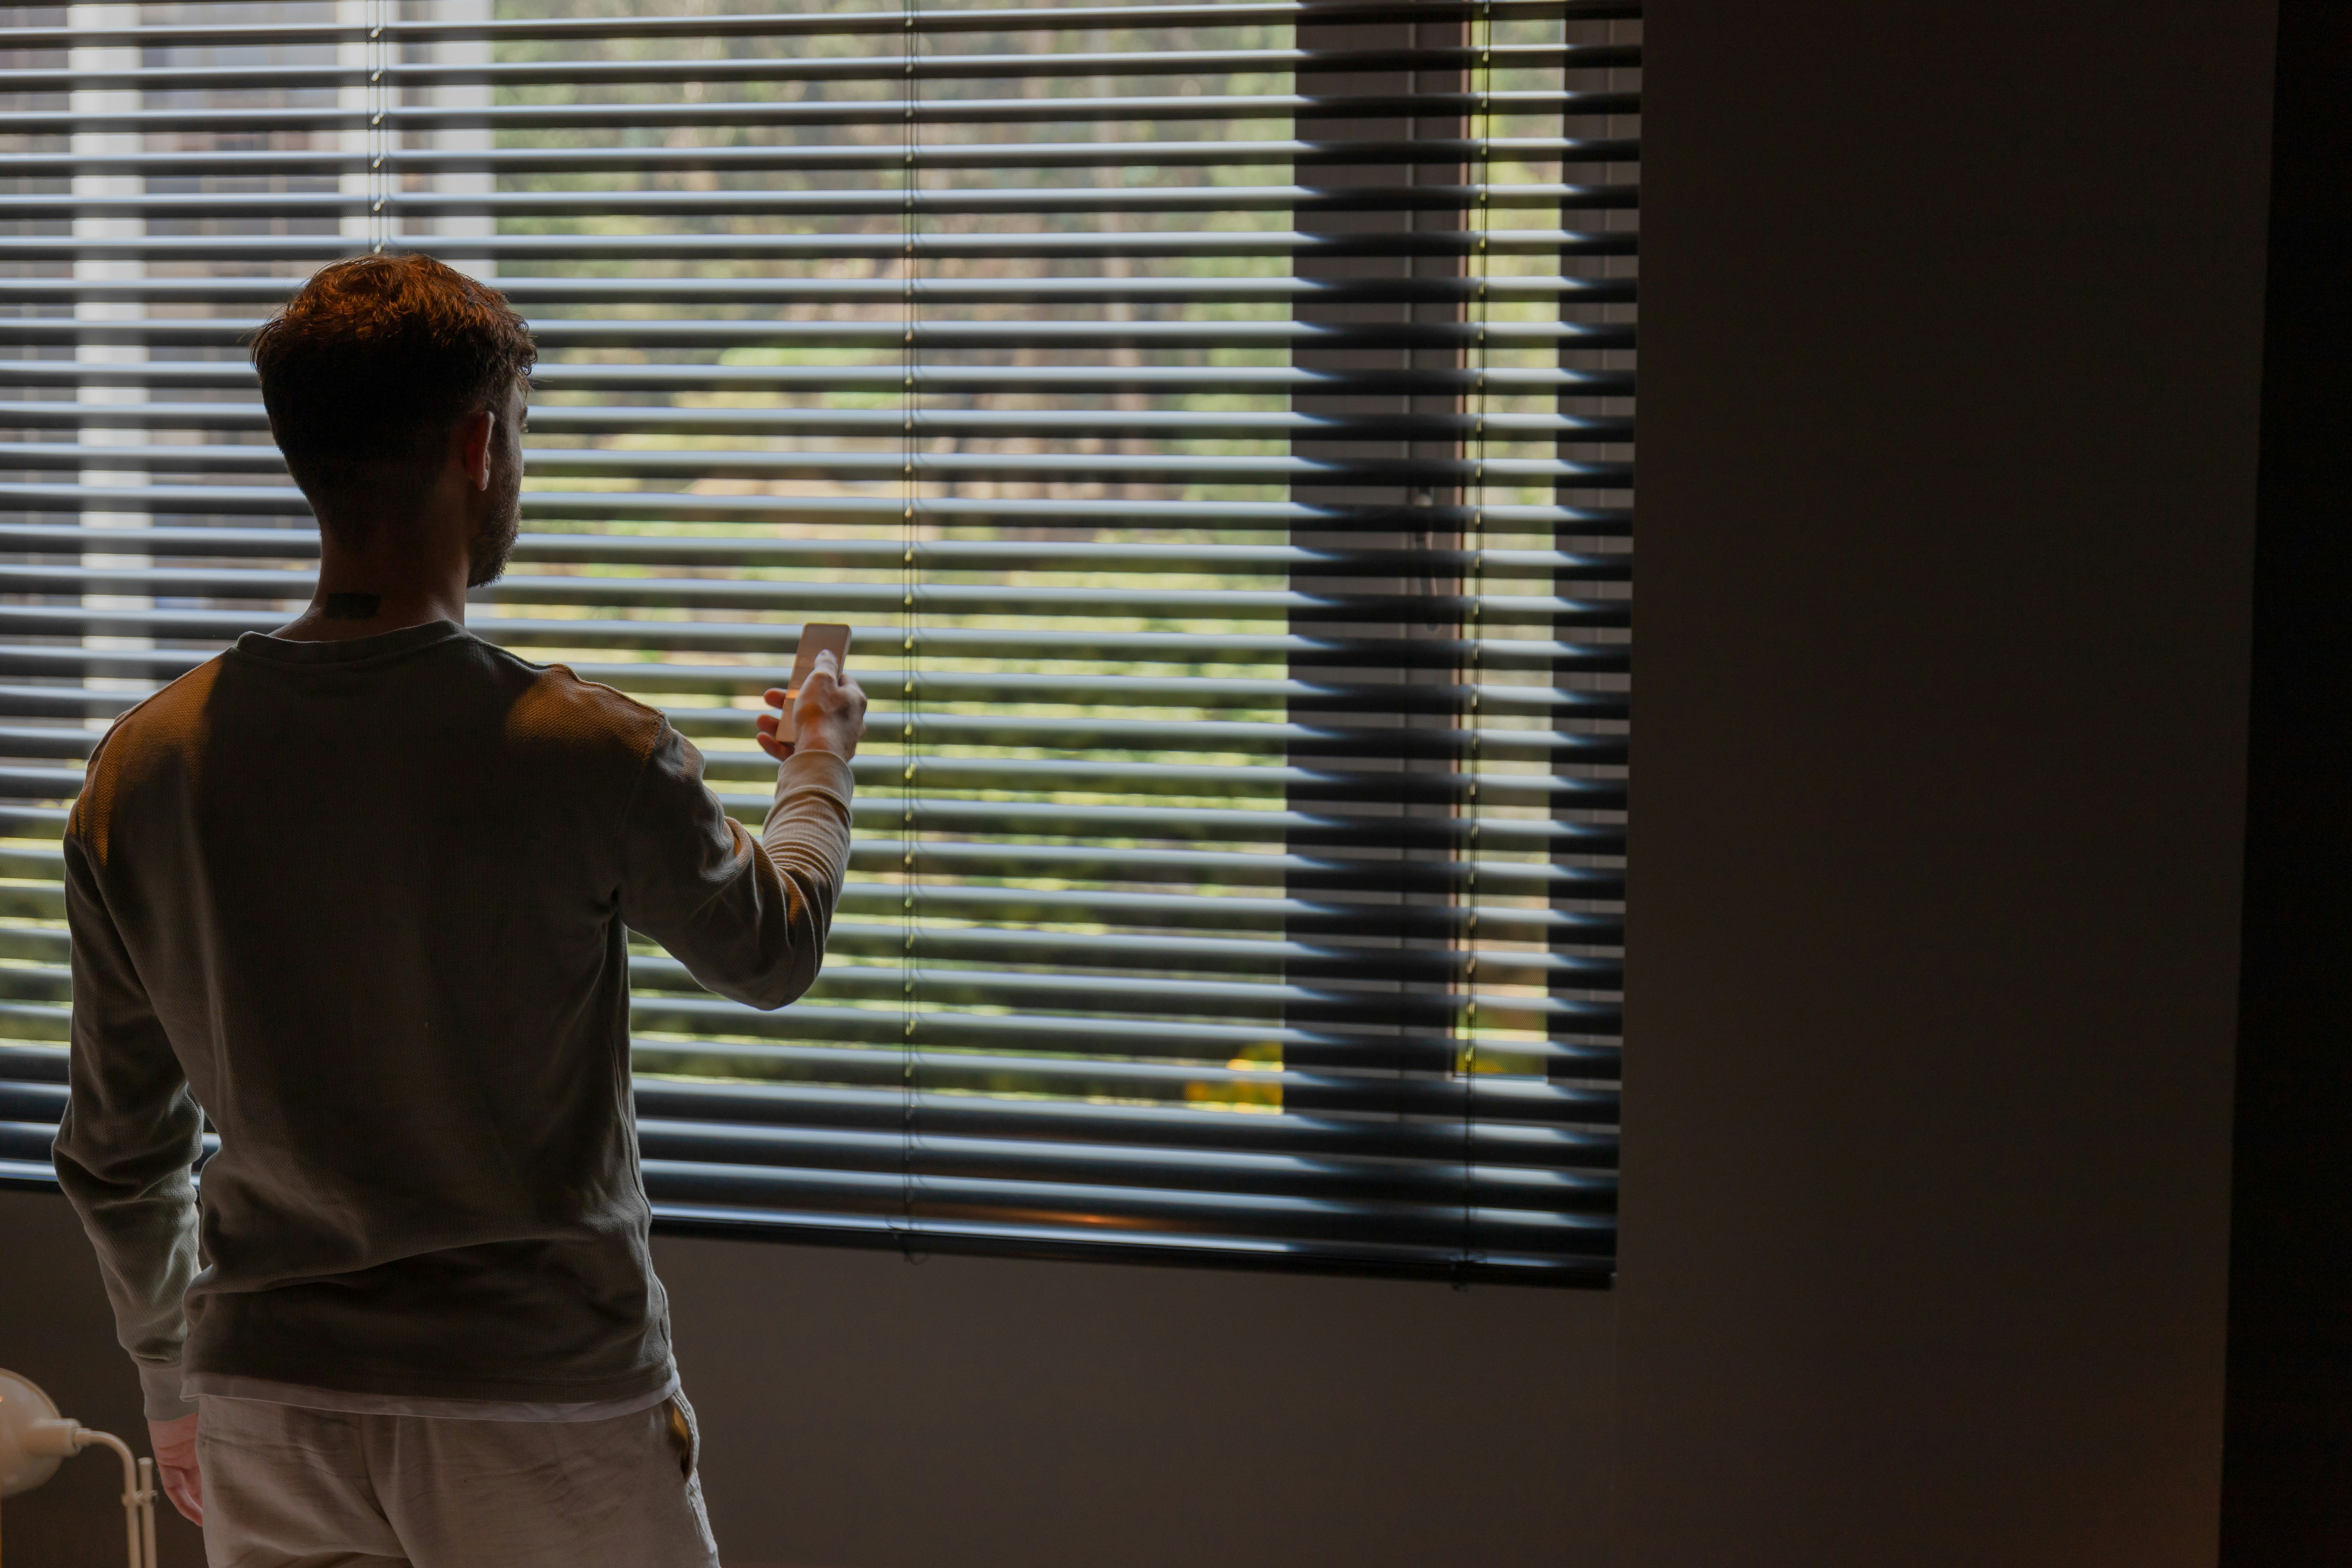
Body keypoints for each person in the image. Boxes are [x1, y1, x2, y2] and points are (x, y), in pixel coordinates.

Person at [50, 253, 866, 1567]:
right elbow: (775, 949)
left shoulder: (140, 769)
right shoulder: (586, 748)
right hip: (541, 1401)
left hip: (269, 1399)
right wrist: (819, 758)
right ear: (481, 446)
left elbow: (118, 1148)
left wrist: (166, 1376)